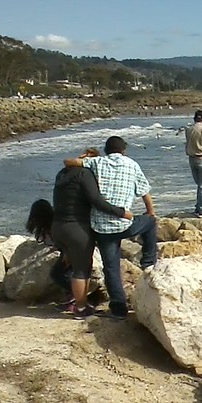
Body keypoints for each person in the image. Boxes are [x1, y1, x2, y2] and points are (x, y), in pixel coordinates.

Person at [64, 136, 157, 320]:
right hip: (125, 223)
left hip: (102, 227)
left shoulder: (97, 162)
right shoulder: (132, 164)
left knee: (111, 268)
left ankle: (118, 310)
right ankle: (148, 261)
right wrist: (150, 212)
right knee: (150, 223)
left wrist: (82, 157)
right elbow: (145, 192)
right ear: (124, 150)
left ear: (106, 150)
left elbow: (68, 162)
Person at [51, 148, 133, 318]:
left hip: (58, 226)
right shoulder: (85, 174)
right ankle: (81, 309)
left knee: (70, 265)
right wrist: (121, 212)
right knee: (81, 270)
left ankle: (71, 299)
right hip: (77, 228)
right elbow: (96, 201)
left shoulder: (61, 174)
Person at [25, 198, 72, 302]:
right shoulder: (54, 222)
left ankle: (76, 294)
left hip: (72, 249)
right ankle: (72, 295)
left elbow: (67, 239)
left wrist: (66, 253)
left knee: (57, 274)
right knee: (64, 273)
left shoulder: (54, 226)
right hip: (72, 247)